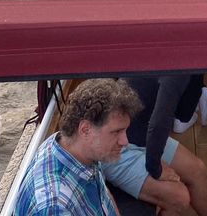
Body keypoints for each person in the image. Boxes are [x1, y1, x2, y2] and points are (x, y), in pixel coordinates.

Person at [13, 78, 142, 216]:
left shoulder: (77, 149)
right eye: (116, 132)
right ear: (85, 130)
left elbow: (104, 198)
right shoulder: (54, 207)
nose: (125, 141)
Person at [104, 75, 207, 216]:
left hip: (142, 134)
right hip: (112, 145)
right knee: (178, 197)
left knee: (197, 169)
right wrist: (156, 168)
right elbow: (159, 124)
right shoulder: (174, 67)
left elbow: (183, 115)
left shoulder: (187, 68)